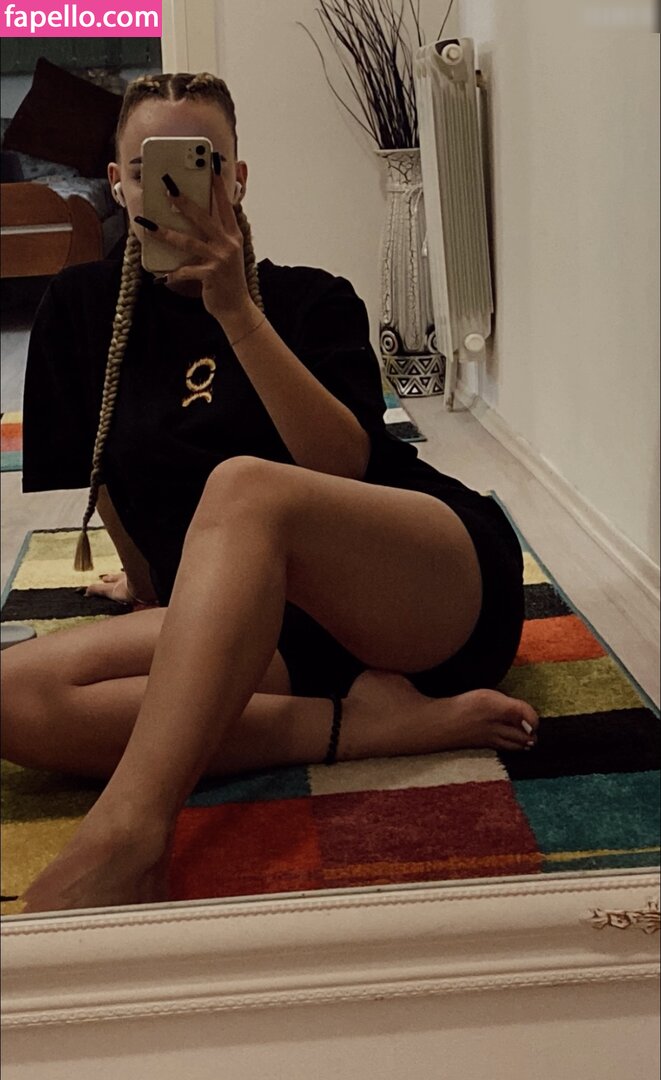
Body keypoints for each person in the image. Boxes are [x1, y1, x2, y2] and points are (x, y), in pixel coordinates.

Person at [1, 72, 538, 913]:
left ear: (238, 178)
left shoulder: (310, 299)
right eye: (146, 169)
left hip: (410, 592)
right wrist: (154, 591)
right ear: (117, 184)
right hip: (258, 624)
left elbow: (344, 467)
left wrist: (235, 312)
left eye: (201, 164)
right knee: (14, 697)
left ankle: (128, 837)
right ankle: (363, 729)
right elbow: (102, 480)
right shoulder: (80, 308)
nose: (174, 190)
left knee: (245, 486)